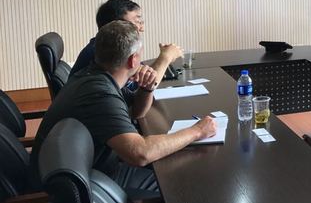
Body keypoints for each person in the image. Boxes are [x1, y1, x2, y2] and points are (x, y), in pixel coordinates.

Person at [31, 20, 216, 190]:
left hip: (92, 167)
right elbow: (140, 153)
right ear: (133, 60)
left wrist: (147, 88)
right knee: (182, 181)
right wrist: (197, 131)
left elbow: (137, 112)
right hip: (92, 182)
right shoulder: (100, 92)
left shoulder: (95, 74)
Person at [71, 0, 182, 86]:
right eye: (137, 21)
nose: (142, 28)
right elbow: (143, 86)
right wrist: (165, 58)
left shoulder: (109, 45)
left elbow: (141, 78)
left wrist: (163, 59)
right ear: (118, 25)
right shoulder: (102, 53)